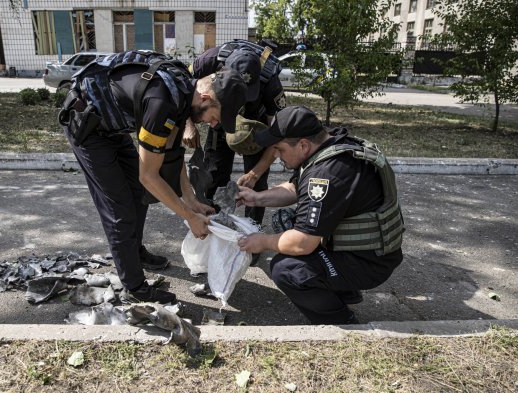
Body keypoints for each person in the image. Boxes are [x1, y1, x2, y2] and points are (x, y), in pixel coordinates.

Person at [62, 53, 248, 304]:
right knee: (120, 211)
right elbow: (149, 176)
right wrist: (190, 217)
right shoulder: (162, 102)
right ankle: (134, 289)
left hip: (111, 125)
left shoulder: (183, 90)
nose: (213, 124)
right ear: (206, 97)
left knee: (139, 197)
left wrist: (191, 200)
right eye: (215, 117)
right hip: (87, 126)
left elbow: (171, 153)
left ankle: (133, 253)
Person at [236, 106, 404, 324]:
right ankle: (344, 291)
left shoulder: (326, 174)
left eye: (279, 149)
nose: (276, 155)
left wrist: (262, 242)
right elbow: (296, 188)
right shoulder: (332, 146)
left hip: (368, 262)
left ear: (303, 145)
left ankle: (341, 321)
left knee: (287, 270)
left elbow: (302, 244)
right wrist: (257, 197)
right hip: (371, 249)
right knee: (286, 221)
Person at [183, 40, 287, 227]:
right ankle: (213, 225)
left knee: (256, 184)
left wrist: (254, 174)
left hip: (255, 125)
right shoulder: (209, 61)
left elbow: (277, 134)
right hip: (218, 120)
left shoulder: (270, 81)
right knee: (213, 174)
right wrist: (188, 124)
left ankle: (253, 230)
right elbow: (180, 90)